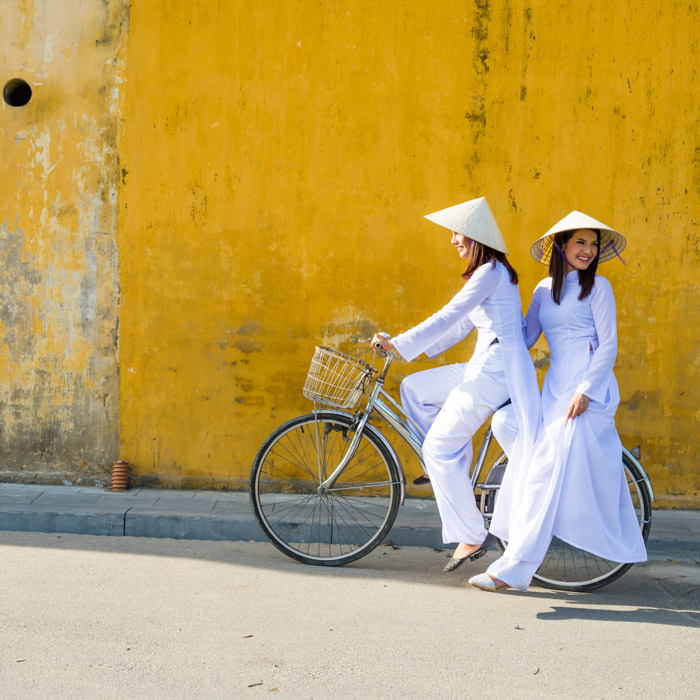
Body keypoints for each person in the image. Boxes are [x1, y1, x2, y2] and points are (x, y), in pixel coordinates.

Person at [469, 211, 647, 592]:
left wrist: (585, 389)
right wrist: (491, 315)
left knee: (542, 468)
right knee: (506, 424)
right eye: (580, 242)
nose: (588, 250)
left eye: (593, 243)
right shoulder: (542, 290)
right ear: (561, 246)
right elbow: (525, 336)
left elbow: (609, 345)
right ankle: (549, 495)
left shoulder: (599, 287)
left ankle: (514, 568)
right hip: (553, 389)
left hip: (586, 391)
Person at [370, 197, 540, 571]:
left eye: (457, 233)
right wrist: (402, 344)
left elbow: (451, 314)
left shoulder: (490, 272)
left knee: (438, 447)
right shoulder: (491, 273)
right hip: (483, 364)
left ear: (476, 236)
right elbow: (462, 324)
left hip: (495, 371)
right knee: (414, 388)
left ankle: (472, 532)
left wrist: (398, 343)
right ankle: (448, 464)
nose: (452, 240)